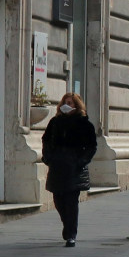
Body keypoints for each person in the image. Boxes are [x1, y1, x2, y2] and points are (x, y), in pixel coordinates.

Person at [41, 92, 97, 247]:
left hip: (74, 169)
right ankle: (67, 226)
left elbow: (92, 146)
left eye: (71, 103)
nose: (68, 105)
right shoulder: (55, 122)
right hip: (57, 167)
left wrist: (81, 161)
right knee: (58, 201)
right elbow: (45, 140)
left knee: (71, 202)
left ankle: (71, 234)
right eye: (65, 102)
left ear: (77, 105)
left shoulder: (84, 123)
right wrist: (48, 157)